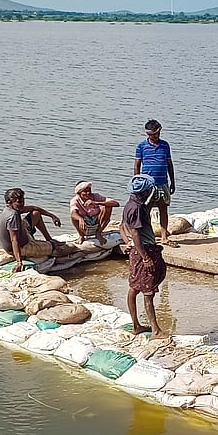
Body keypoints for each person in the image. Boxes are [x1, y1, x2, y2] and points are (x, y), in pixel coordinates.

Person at [121, 174, 168, 338]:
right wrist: (146, 257)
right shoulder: (137, 209)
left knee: (134, 288)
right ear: (145, 191)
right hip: (144, 250)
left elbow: (124, 227)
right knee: (148, 292)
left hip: (136, 251)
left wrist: (129, 244)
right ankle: (156, 330)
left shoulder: (130, 205)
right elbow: (135, 233)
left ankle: (136, 325)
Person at [0, 188, 63, 273]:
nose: (22, 204)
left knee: (36, 214)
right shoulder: (13, 216)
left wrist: (52, 216)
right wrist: (19, 262)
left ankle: (48, 238)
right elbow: (14, 240)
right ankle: (51, 243)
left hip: (22, 234)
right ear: (10, 202)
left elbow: (34, 208)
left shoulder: (10, 209)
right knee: (54, 247)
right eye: (19, 202)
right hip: (21, 247)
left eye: (23, 200)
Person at [134, 119, 177, 245]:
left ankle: (164, 236)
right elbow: (137, 165)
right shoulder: (141, 146)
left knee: (163, 209)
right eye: (153, 134)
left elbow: (169, 164)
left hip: (162, 182)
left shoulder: (165, 145)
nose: (156, 136)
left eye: (158, 133)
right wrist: (137, 183)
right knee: (146, 210)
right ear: (148, 134)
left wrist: (172, 182)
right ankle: (147, 237)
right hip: (147, 184)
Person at [70, 181, 119, 245]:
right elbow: (73, 213)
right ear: (79, 193)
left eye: (89, 191)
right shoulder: (75, 200)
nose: (88, 193)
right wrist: (80, 219)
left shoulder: (95, 196)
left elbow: (116, 204)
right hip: (85, 222)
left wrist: (96, 202)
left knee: (108, 206)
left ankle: (98, 233)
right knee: (73, 217)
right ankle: (81, 235)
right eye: (85, 192)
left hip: (97, 220)